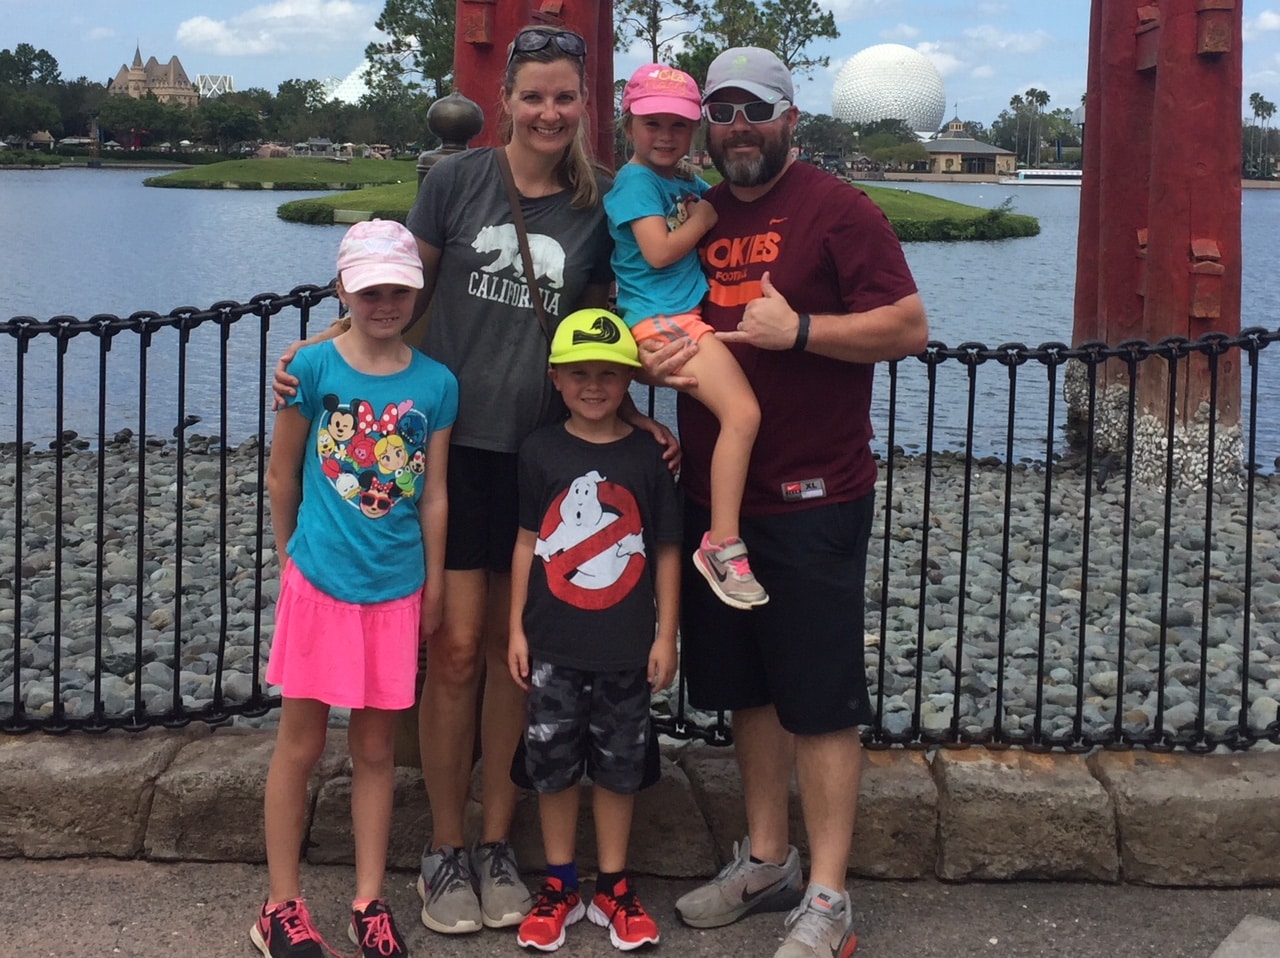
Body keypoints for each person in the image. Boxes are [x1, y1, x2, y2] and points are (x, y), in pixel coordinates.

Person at [273, 22, 676, 939]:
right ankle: (445, 845)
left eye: (564, 98)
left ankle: (501, 841)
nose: (547, 111)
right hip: (452, 453)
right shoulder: (454, 183)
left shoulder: (600, 202)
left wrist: (635, 414)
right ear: (506, 103)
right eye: (532, 95)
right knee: (453, 650)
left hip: (545, 451)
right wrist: (323, 354)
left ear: (585, 106)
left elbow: (611, 331)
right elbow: (393, 308)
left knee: (512, 654)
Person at [641, 48, 929, 958]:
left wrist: (798, 328)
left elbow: (909, 328)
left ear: (790, 117)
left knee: (819, 699)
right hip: (717, 500)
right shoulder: (698, 211)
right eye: (720, 114)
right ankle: (767, 858)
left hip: (814, 493)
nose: (736, 129)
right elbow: (641, 300)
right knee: (748, 695)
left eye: (753, 112)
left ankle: (832, 895)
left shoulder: (840, 210)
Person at [255, 219, 457, 958]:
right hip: (322, 581)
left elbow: (432, 493)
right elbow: (283, 472)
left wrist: (434, 582)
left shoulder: (436, 383)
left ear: (415, 291)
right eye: (369, 289)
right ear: (345, 288)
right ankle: (281, 902)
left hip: (396, 586)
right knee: (300, 744)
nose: (384, 302)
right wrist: (288, 557)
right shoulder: (311, 369)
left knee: (376, 750)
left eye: (397, 289)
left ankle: (368, 898)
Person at [506, 307, 681, 953]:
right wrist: (516, 630)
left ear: (629, 380)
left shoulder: (648, 456)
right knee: (550, 768)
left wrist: (666, 637)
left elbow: (664, 548)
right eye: (580, 372)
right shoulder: (540, 451)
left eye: (609, 374)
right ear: (556, 378)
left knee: (619, 769)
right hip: (551, 642)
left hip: (625, 647)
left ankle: (612, 883)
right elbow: (529, 543)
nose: (594, 385)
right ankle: (558, 883)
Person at [604, 63, 766, 611]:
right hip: (662, 319)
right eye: (653, 124)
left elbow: (720, 199)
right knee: (742, 415)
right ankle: (721, 543)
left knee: (738, 414)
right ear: (629, 126)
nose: (666, 136)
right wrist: (700, 221)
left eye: (679, 125)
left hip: (678, 316)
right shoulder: (634, 183)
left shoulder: (678, 181)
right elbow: (657, 250)